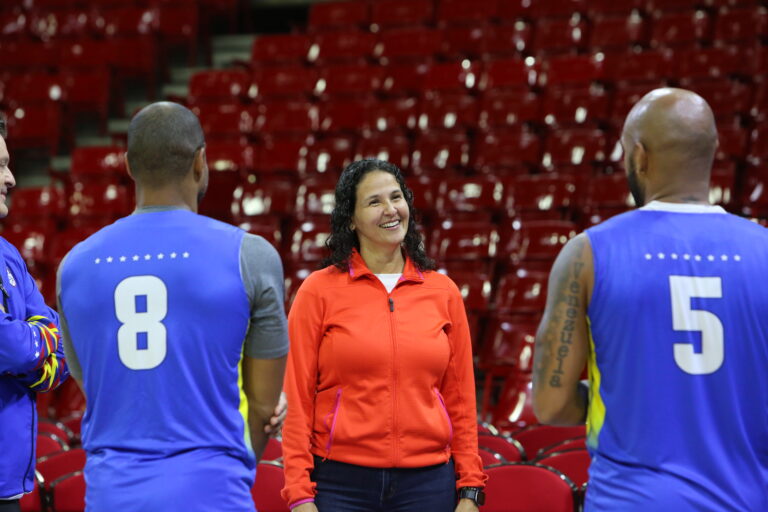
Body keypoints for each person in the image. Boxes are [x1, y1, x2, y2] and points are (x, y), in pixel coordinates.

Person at [532, 88, 768, 511]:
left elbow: (550, 404)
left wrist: (626, 395)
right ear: (712, 151)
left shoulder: (586, 254)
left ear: (638, 156)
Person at [57, 102, 288, 511]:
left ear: (128, 166)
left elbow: (92, 381)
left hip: (113, 494)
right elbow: (266, 405)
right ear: (201, 162)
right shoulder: (250, 255)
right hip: (215, 491)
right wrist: (234, 464)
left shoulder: (74, 265)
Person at [281, 159, 487, 512]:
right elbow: (297, 400)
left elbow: (462, 401)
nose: (391, 210)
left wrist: (470, 488)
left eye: (396, 197)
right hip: (340, 484)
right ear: (351, 218)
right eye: (374, 202)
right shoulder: (318, 291)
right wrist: (299, 494)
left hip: (429, 483)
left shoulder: (443, 292)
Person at [0, 114, 69, 511]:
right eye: (1, 166)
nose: (11, 179)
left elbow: (62, 354)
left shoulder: (8, 255)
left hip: (9, 486)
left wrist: (31, 346)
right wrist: (33, 346)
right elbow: (11, 347)